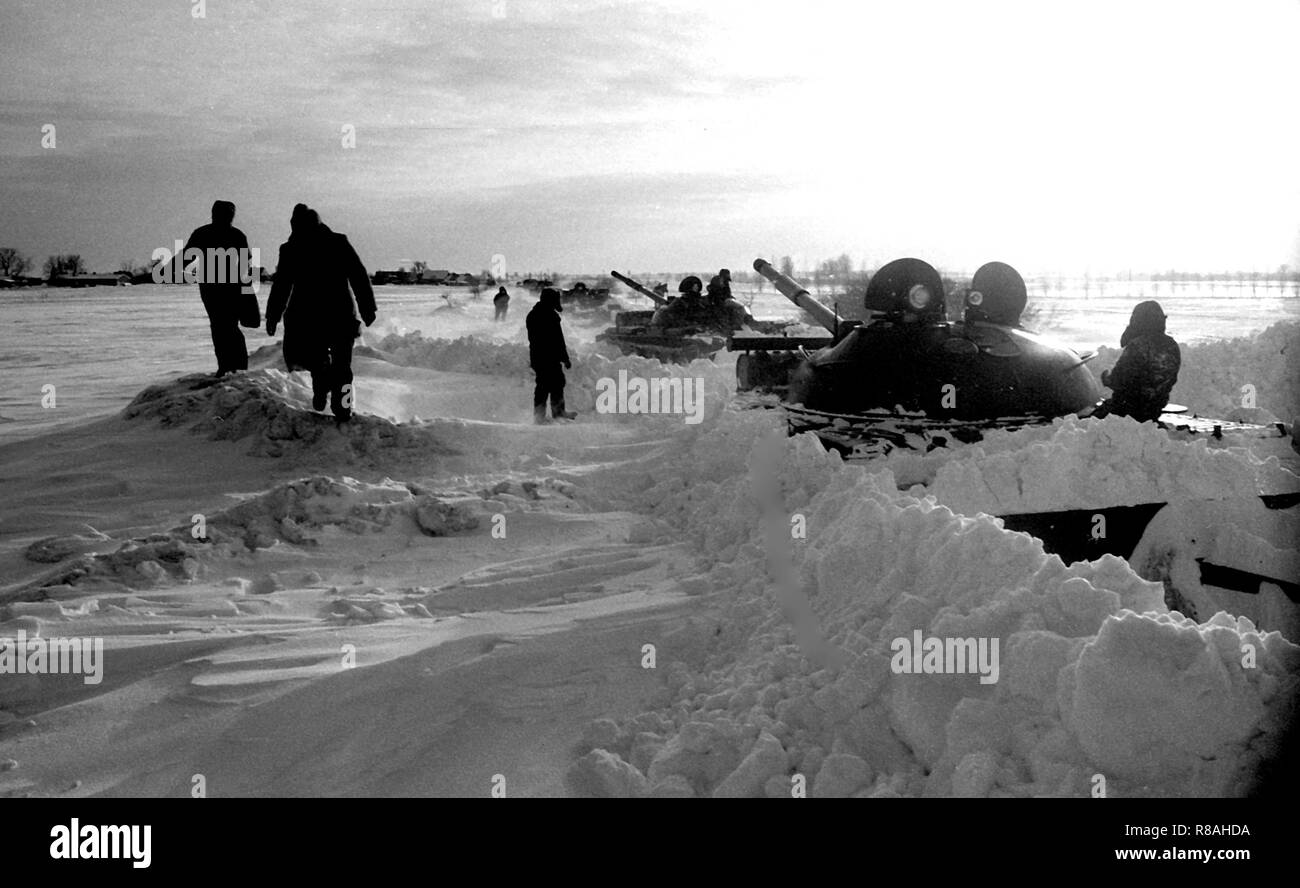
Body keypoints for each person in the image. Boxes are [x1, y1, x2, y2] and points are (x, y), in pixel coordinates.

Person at [266, 204, 377, 422]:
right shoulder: (333, 242)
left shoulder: (296, 247)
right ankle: (340, 405)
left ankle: (330, 396)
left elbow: (281, 285)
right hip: (335, 316)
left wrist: (273, 315)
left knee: (322, 364)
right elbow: (358, 275)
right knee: (337, 366)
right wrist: (367, 307)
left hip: (316, 318)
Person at [182, 200, 252, 376]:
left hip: (216, 287)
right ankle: (234, 366)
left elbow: (186, 258)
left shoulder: (203, 233)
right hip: (224, 287)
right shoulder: (236, 235)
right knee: (227, 326)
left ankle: (230, 366)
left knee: (222, 326)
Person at [1094, 300, 1180, 422]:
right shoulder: (1171, 345)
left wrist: (1107, 379)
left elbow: (1119, 380)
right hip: (1154, 408)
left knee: (1086, 422)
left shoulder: (1138, 346)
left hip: (1127, 410)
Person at [526, 287, 575, 423]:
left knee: (548, 384)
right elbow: (557, 340)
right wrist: (565, 359)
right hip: (548, 357)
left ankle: (543, 415)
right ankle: (552, 414)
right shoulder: (549, 316)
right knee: (550, 384)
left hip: (539, 356)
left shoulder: (534, 314)